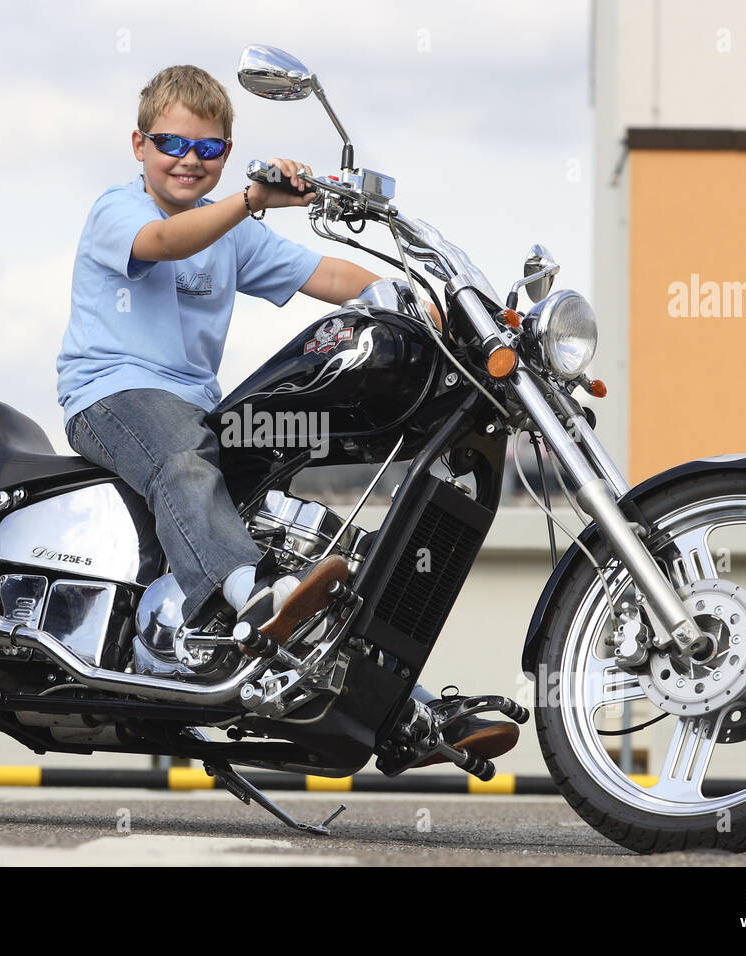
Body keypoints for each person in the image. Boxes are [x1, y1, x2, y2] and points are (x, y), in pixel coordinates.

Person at [57, 64, 516, 764]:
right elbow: (164, 245)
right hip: (111, 396)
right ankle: (253, 596)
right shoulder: (122, 211)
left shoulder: (234, 234)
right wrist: (249, 199)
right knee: (186, 461)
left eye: (208, 150)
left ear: (225, 155)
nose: (188, 161)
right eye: (171, 145)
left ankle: (402, 712)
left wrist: (419, 304)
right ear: (138, 145)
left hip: (193, 409)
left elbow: (323, 275)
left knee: (281, 503)